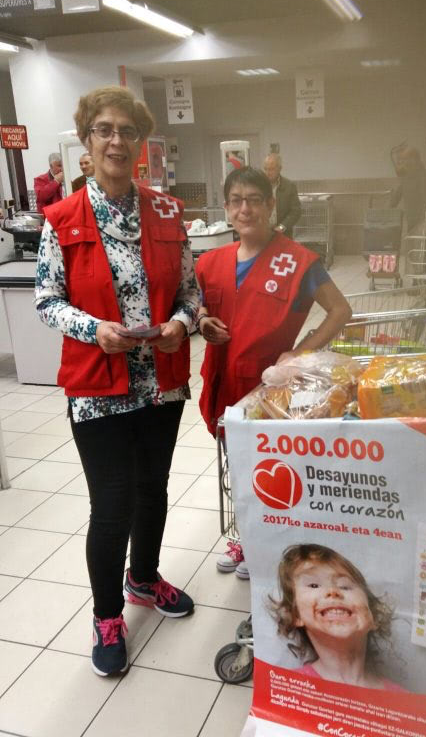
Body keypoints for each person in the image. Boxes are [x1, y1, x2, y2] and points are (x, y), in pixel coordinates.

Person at [34, 86, 200, 677]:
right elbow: (47, 299)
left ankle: (144, 579)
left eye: (127, 130)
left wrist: (184, 322)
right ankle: (107, 614)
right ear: (88, 139)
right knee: (112, 505)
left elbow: (190, 290)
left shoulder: (166, 211)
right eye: (104, 129)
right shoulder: (63, 219)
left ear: (141, 143)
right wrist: (90, 328)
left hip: (162, 384)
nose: (115, 140)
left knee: (153, 490)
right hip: (98, 387)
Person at [195, 166, 351, 578]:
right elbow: (202, 309)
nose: (245, 208)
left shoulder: (298, 262)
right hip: (225, 382)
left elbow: (340, 310)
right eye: (236, 201)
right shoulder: (210, 263)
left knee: (275, 472)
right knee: (236, 467)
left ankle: (275, 545)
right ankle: (246, 540)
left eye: (254, 200)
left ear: (270, 205)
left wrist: (299, 353)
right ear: (227, 209)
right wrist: (203, 320)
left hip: (273, 391)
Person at [270, 543, 405, 691]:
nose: (333, 591)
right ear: (295, 615)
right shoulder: (289, 687)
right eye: (314, 585)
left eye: (344, 586)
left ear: (374, 616)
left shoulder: (402, 698)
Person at [389, 145, 426, 236]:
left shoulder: (424, 176)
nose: (403, 162)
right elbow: (397, 195)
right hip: (411, 220)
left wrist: (424, 223)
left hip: (422, 222)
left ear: (414, 159)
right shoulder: (407, 176)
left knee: (418, 247)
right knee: (412, 245)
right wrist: (387, 210)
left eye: (405, 159)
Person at [263, 153, 302, 234]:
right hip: (263, 233)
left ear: (279, 168)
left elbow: (296, 211)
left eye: (271, 169)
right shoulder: (259, 186)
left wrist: (282, 227)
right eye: (265, 169)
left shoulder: (289, 186)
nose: (267, 172)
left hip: (283, 233)